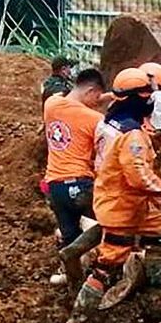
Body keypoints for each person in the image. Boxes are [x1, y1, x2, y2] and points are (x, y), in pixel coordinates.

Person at [68, 68, 161, 323]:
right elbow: (137, 173)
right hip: (122, 205)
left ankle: (157, 292)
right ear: (135, 99)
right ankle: (78, 319)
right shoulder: (132, 134)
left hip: (124, 199)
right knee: (109, 261)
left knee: (157, 229)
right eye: (146, 95)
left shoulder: (111, 122)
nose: (150, 99)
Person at [43, 68, 106, 256]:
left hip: (54, 187)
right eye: (97, 98)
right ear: (91, 91)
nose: (97, 103)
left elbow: (70, 97)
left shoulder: (51, 105)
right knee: (112, 224)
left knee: (69, 235)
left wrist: (103, 95)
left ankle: (72, 275)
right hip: (81, 185)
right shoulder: (95, 119)